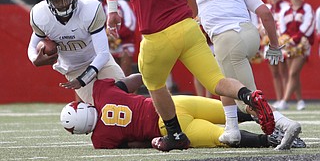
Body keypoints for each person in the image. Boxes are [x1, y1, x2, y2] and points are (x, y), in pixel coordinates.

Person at [104, 0, 276, 152]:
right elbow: (193, 9)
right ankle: (249, 95)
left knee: (155, 85)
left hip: (157, 37)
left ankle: (175, 134)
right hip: (188, 30)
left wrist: (113, 10)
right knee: (216, 80)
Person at [189, 0, 301, 150]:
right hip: (249, 35)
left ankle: (286, 125)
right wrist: (275, 46)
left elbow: (191, 16)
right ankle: (231, 129)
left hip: (227, 39)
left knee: (246, 98)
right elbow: (265, 13)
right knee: (222, 81)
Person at [60, 74, 306, 149]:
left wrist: (155, 141)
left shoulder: (101, 140)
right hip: (172, 103)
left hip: (168, 128)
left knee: (223, 138)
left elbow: (136, 144)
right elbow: (134, 80)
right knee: (230, 111)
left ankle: (268, 139)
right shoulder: (103, 93)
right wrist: (150, 81)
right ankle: (281, 123)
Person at [27, 0, 125, 104]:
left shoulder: (90, 10)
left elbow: (103, 54)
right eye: (56, 1)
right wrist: (35, 59)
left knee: (123, 96)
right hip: (74, 68)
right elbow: (32, 46)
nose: (61, 5)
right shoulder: (40, 15)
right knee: (103, 106)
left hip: (99, 61)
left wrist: (83, 79)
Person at [277, 0, 315, 111]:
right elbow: (281, 26)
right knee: (294, 74)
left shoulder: (307, 8)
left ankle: (284, 101)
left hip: (302, 45)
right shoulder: (285, 10)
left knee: (293, 72)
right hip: (289, 46)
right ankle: (300, 101)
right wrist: (286, 39)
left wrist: (296, 39)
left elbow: (309, 25)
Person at [259, 0, 289, 108]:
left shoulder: (286, 7)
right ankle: (279, 98)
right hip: (269, 43)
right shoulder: (266, 8)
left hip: (283, 43)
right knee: (275, 72)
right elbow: (261, 26)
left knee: (284, 71)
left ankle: (285, 99)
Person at [101, 0, 137, 76]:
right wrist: (108, 37)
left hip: (125, 41)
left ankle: (129, 90)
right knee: (113, 72)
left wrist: (119, 35)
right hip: (109, 43)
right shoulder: (101, 6)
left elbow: (131, 21)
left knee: (126, 71)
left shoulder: (122, 3)